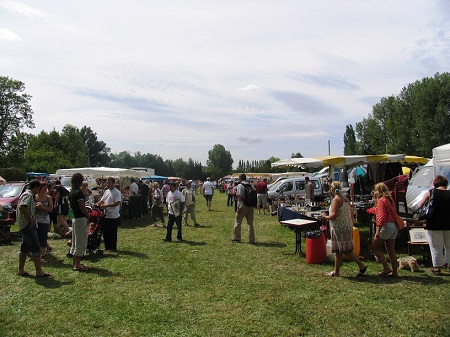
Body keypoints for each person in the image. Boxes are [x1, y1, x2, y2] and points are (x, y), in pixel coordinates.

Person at [322, 181, 367, 277]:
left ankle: (361, 265)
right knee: (338, 251)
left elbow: (333, 216)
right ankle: (336, 272)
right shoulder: (345, 198)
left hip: (339, 228)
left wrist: (325, 216)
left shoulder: (336, 200)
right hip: (346, 226)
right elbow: (351, 211)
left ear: (331, 190)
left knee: (345, 250)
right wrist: (351, 222)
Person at [17, 179, 51, 277]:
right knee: (36, 248)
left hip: (23, 225)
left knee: (24, 247)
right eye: (38, 188)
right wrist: (30, 218)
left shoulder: (26, 194)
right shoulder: (28, 195)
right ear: (35, 187)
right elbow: (22, 207)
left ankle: (21, 270)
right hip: (27, 225)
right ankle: (39, 271)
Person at [417, 175, 450, 275]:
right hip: (449, 223)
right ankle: (448, 263)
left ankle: (437, 267)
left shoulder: (431, 192)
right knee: (449, 246)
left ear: (435, 183)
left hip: (434, 223)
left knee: (436, 246)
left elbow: (420, 205)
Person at [371, 182, 399, 278]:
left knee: (375, 247)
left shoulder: (381, 200)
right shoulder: (390, 199)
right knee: (391, 250)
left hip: (385, 226)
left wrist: (378, 231)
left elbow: (381, 217)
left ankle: (386, 267)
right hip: (393, 226)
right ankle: (395, 272)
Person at [68, 173, 91, 271]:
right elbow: (82, 206)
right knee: (80, 242)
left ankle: (75, 263)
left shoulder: (71, 192)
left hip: (75, 218)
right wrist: (88, 215)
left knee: (75, 242)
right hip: (81, 219)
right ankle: (77, 265)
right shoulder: (79, 192)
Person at [96, 177, 121, 251]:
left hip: (113, 215)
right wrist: (96, 204)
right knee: (105, 232)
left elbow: (117, 203)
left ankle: (113, 247)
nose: (107, 184)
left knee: (112, 232)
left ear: (113, 183)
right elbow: (102, 200)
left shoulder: (117, 192)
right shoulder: (106, 191)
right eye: (107, 182)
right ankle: (107, 246)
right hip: (106, 215)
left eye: (109, 182)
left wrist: (105, 206)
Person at [232, 174, 255, 244]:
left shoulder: (240, 185)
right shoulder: (250, 185)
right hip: (250, 206)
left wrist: (238, 207)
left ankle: (237, 237)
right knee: (250, 223)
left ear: (240, 179)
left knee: (238, 221)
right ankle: (251, 239)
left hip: (243, 205)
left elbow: (239, 197)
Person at [34, 181, 53, 261]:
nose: (46, 188)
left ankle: (42, 255)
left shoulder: (48, 197)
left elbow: (51, 209)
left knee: (42, 237)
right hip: (34, 220)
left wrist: (42, 207)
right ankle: (37, 253)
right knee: (35, 237)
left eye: (46, 187)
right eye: (44, 187)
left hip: (44, 220)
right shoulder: (34, 196)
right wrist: (35, 207)